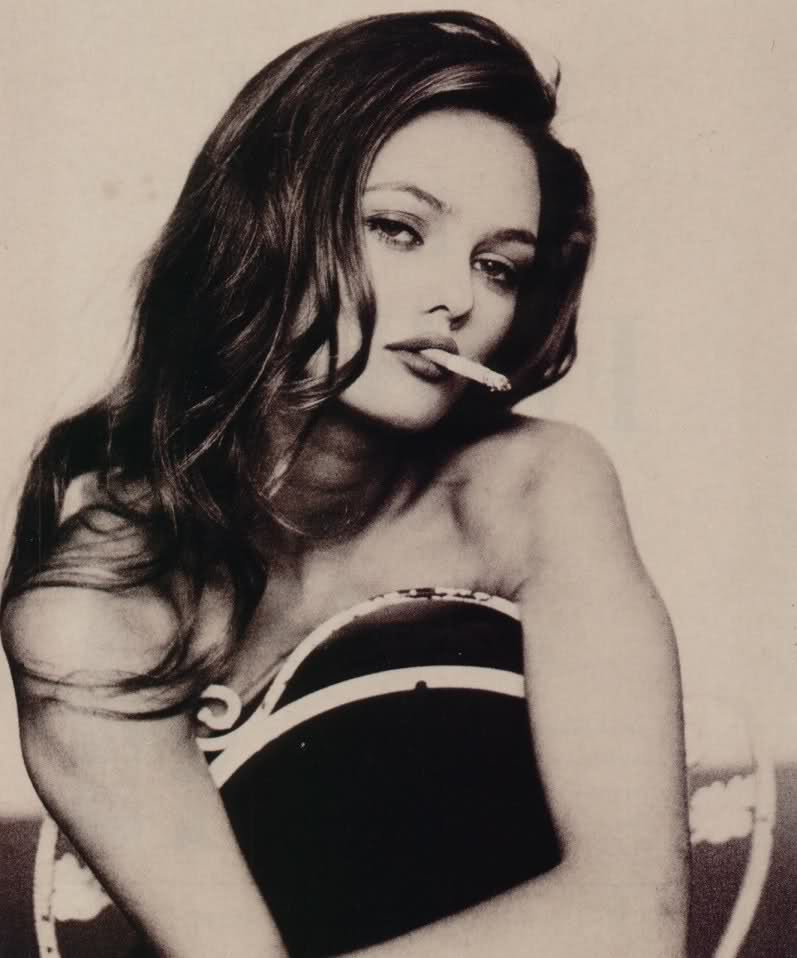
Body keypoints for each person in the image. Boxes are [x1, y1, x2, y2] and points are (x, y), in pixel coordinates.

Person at [1, 10, 689, 957]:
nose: (457, 298)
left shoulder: (533, 485)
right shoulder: (95, 614)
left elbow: (633, 922)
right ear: (262, 220)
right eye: (398, 229)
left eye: (497, 266)